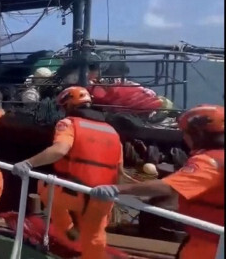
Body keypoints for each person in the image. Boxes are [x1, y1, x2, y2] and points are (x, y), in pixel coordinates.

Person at [90, 104, 224, 259]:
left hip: (209, 241)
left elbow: (167, 187)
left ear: (198, 134)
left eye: (185, 134)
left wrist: (117, 189)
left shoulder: (209, 161)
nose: (185, 139)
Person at [11, 86, 123, 259]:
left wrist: (28, 163)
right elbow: (119, 171)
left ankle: (67, 228)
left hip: (73, 193)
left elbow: (59, 150)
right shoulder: (113, 132)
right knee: (96, 237)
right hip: (102, 198)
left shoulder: (69, 123)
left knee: (43, 185)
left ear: (68, 105)